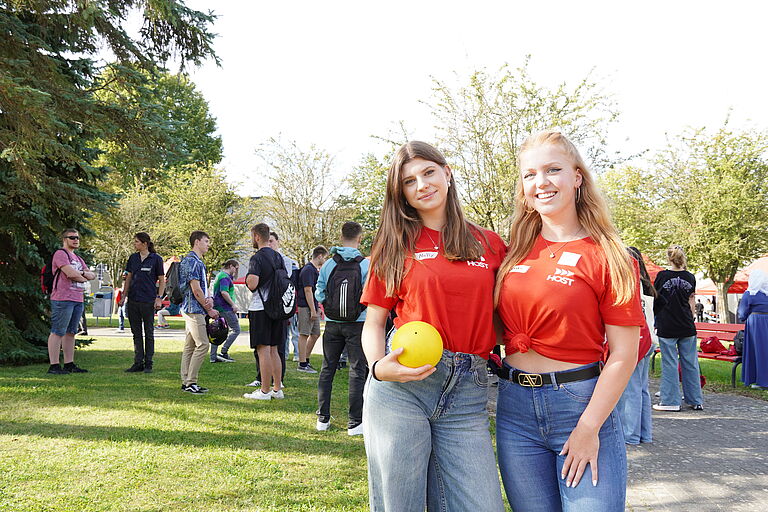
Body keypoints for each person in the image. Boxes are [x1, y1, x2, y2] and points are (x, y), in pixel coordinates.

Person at [494, 131, 644, 511]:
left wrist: (589, 427)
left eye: (553, 170)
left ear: (576, 177)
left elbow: (625, 355)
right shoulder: (513, 254)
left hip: (579, 405)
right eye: (529, 175)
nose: (541, 182)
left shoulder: (609, 255)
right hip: (514, 410)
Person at [360, 141, 506, 511]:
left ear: (447, 172)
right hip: (403, 388)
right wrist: (379, 368)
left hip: (467, 392)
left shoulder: (489, 244)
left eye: (428, 172)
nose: (422, 185)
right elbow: (374, 323)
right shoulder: (394, 243)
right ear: (402, 194)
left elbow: (505, 316)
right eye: (409, 181)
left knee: (481, 504)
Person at [315, 221, 370, 435]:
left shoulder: (329, 264)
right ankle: (355, 423)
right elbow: (369, 293)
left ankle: (322, 419)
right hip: (358, 323)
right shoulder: (365, 265)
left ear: (341, 236)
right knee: (357, 370)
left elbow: (320, 289)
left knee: (327, 368)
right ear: (359, 238)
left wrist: (328, 307)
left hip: (332, 323)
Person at [653, 244, 704, 411]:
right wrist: (691, 317)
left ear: (669, 258)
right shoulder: (690, 277)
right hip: (686, 324)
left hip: (667, 324)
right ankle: (695, 400)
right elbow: (691, 301)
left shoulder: (662, 276)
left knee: (669, 363)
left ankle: (671, 401)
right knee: (691, 363)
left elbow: (656, 298)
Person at [243, 223, 289, 400]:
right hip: (277, 308)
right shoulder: (278, 257)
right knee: (275, 350)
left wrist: (248, 279)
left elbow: (253, 283)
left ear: (256, 236)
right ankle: (277, 389)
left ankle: (264, 390)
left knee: (263, 349)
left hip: (260, 308)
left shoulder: (257, 258)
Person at [617, 246, 657, 444]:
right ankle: (644, 433)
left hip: (637, 339)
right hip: (647, 337)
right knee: (642, 389)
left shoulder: (630, 281)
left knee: (631, 389)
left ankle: (630, 434)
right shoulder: (646, 283)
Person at [47, 228, 96, 374]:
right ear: (64, 239)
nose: (75, 240)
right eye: (72, 237)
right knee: (58, 331)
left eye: (77, 238)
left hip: (77, 299)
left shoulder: (78, 258)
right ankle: (54, 366)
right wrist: (82, 275)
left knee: (71, 332)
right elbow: (70, 273)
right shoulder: (60, 254)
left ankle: (69, 364)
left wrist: (80, 274)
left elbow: (91, 275)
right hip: (63, 298)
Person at [179, 230, 219, 394]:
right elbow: (195, 290)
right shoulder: (192, 262)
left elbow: (199, 289)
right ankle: (191, 382)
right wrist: (208, 308)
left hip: (193, 308)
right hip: (194, 309)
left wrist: (208, 300)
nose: (208, 245)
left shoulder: (195, 261)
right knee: (203, 344)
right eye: (206, 241)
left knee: (190, 346)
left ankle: (186, 381)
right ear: (197, 242)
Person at [121, 232, 165, 373]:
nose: (135, 244)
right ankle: (138, 362)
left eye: (137, 242)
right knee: (136, 333)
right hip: (133, 299)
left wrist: (159, 297)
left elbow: (161, 280)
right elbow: (128, 278)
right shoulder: (133, 258)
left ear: (145, 243)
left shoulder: (156, 259)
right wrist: (123, 296)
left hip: (148, 300)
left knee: (149, 332)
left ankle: (148, 363)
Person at [297, 246, 328, 373]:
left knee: (315, 334)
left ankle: (306, 359)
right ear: (319, 256)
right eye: (325, 258)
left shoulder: (314, 270)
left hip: (313, 306)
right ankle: (302, 364)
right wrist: (312, 310)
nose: (325, 261)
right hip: (305, 306)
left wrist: (317, 308)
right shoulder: (308, 270)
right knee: (304, 334)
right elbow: (308, 290)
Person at [737, 269, 768, 388]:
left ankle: (760, 380)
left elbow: (742, 313)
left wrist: (746, 317)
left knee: (758, 351)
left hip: (756, 325)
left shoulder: (750, 294)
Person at [209, 259, 241, 363]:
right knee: (236, 329)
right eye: (236, 268)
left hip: (218, 307)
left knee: (217, 331)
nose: (236, 271)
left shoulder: (220, 275)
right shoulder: (224, 278)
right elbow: (224, 292)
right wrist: (233, 305)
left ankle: (213, 357)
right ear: (231, 266)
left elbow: (231, 282)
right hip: (225, 308)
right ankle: (224, 351)